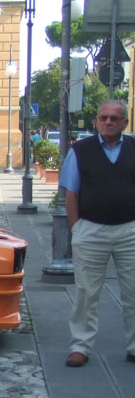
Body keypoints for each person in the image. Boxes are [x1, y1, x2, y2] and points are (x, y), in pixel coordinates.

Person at [59, 100, 135, 367]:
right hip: (91, 229)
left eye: (115, 118)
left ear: (125, 123)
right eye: (103, 117)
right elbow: (71, 192)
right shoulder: (80, 151)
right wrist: (76, 227)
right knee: (86, 292)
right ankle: (80, 345)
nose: (108, 122)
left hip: (130, 230)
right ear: (96, 121)